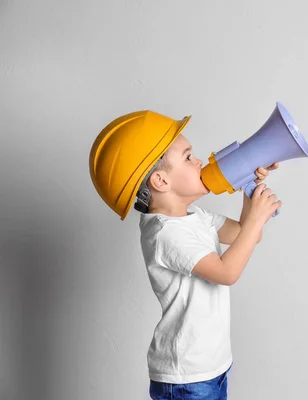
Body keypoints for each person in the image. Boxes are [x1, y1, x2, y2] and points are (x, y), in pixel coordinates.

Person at [89, 110, 281, 399]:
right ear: (161, 182)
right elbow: (226, 273)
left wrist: (247, 189)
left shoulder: (195, 217)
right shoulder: (165, 233)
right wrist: (256, 219)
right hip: (187, 377)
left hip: (210, 368)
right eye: (188, 157)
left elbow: (246, 235)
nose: (200, 161)